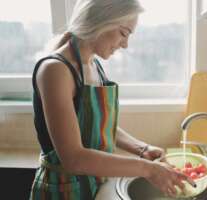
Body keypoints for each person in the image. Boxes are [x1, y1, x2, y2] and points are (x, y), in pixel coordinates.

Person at [29, 0, 195, 199]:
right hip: (64, 190)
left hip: (94, 182)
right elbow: (74, 159)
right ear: (101, 21)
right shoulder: (55, 70)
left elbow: (94, 125)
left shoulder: (93, 63)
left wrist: (143, 149)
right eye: (124, 33)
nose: (125, 44)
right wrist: (149, 169)